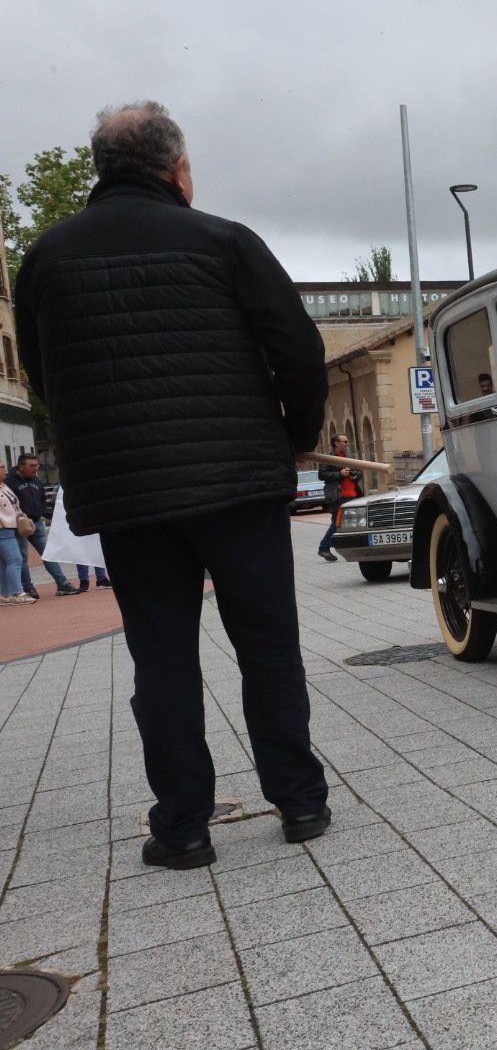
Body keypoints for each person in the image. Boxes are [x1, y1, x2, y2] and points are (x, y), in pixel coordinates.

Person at [16, 101, 331, 870]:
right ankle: (299, 802)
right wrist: (288, 442)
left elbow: (40, 373)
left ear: (101, 170)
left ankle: (185, 826)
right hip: (238, 484)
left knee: (161, 658)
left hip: (130, 495)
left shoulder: (47, 260)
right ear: (178, 169)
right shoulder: (224, 241)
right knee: (268, 646)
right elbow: (300, 350)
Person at [5, 454, 79, 597]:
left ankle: (62, 583)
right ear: (21, 466)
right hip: (20, 524)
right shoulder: (10, 482)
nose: (35, 468)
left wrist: (43, 512)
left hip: (37, 522)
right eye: (31, 466)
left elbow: (42, 500)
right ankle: (28, 587)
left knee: (48, 553)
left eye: (36, 465)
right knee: (22, 557)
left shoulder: (37, 481)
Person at [316, 433, 363, 561]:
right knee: (338, 524)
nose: (347, 444)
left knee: (346, 523)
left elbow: (360, 472)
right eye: (345, 442)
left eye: (347, 442)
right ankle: (324, 547)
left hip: (354, 494)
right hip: (338, 495)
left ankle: (327, 548)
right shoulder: (328, 458)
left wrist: (355, 475)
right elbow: (322, 475)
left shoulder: (349, 457)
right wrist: (340, 474)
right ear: (336, 443)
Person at [0, 480, 36, 605]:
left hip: (11, 526)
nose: (3, 470)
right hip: (3, 528)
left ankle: (5, 594)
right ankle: (17, 592)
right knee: (14, 560)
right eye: (1, 467)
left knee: (5, 562)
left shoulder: (4, 486)